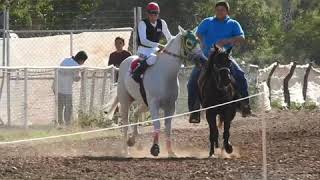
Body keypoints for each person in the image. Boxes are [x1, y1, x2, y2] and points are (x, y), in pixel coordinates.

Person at [188, 1, 251, 123]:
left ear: (227, 11)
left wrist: (227, 41)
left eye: (222, 10)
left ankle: (244, 105)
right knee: (192, 82)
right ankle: (194, 111)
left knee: (240, 75)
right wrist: (201, 43)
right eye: (217, 10)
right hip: (206, 58)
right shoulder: (207, 22)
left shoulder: (233, 24)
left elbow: (242, 38)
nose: (219, 12)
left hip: (224, 58)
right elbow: (198, 34)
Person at [131, 2, 172, 82]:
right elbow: (143, 41)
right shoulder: (142, 23)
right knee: (152, 59)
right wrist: (159, 45)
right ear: (147, 13)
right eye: (151, 12)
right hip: (143, 49)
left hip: (155, 49)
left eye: (155, 13)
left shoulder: (162, 23)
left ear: (158, 13)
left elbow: (169, 37)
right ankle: (137, 74)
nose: (153, 15)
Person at [54, 51, 88, 126]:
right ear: (81, 60)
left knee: (60, 106)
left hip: (57, 87)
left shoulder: (66, 60)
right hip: (66, 90)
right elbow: (76, 78)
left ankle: (59, 123)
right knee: (68, 107)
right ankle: (67, 123)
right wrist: (81, 75)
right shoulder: (76, 65)